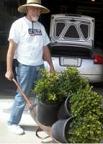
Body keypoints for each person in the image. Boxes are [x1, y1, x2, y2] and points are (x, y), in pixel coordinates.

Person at [5, 0, 54, 135]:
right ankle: (12, 123)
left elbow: (45, 48)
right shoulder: (18, 25)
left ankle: (42, 122)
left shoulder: (41, 27)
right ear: (27, 9)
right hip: (24, 66)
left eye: (38, 10)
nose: (36, 12)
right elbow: (11, 49)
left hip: (39, 66)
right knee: (22, 95)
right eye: (33, 9)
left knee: (42, 95)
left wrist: (51, 66)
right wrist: (9, 69)